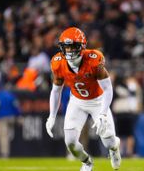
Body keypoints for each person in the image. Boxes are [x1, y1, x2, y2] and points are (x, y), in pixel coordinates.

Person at [45, 27, 121, 171]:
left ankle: (114, 148)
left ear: (82, 46)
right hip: (77, 101)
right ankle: (87, 162)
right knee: (70, 142)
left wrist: (103, 113)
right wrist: (52, 116)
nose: (70, 51)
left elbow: (108, 88)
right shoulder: (58, 63)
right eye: (66, 48)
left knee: (108, 141)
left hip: (98, 101)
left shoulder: (93, 60)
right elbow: (56, 90)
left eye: (73, 47)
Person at [112, 75, 143, 157]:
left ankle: (128, 152)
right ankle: (123, 151)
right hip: (121, 113)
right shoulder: (120, 88)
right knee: (122, 134)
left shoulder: (124, 88)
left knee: (128, 134)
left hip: (126, 113)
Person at [0, 88, 22, 158]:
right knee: (7, 136)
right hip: (11, 118)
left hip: (1, 118)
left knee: (3, 136)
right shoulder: (11, 96)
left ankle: (4, 154)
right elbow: (16, 107)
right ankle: (5, 152)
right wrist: (18, 116)